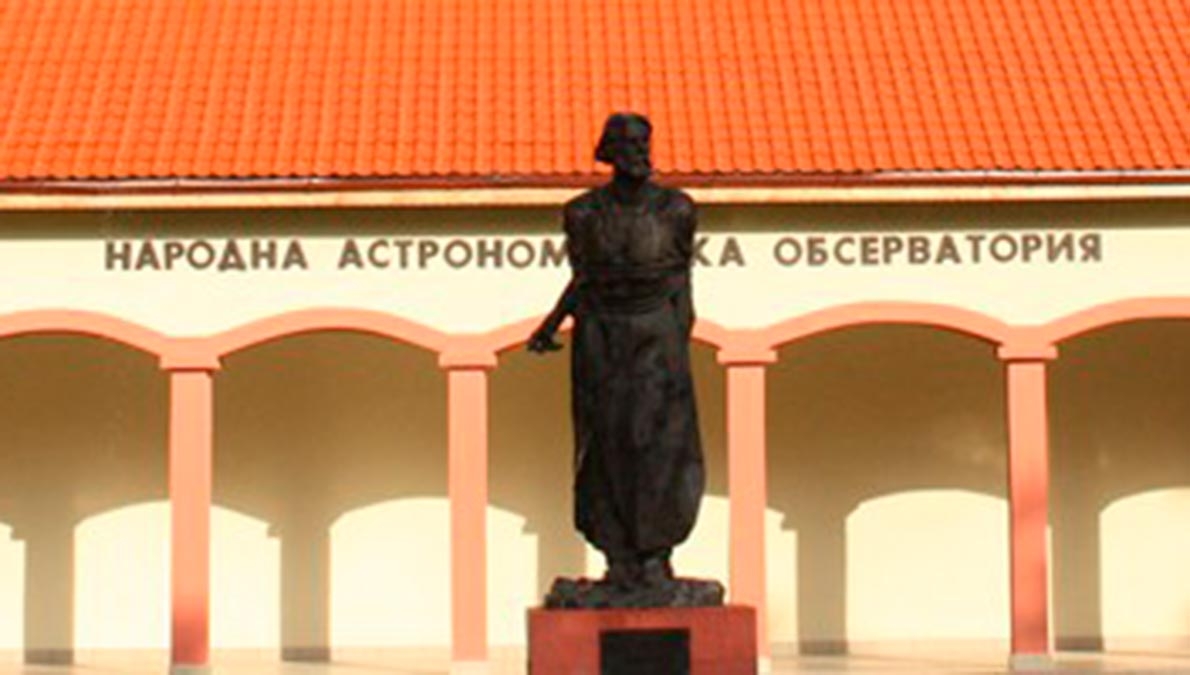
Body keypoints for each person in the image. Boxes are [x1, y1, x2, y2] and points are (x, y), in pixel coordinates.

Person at [529, 112, 704, 595]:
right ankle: (618, 557)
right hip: (601, 331)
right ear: (607, 150)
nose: (637, 151)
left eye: (642, 141)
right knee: (605, 442)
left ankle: (655, 557)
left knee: (661, 441)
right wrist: (550, 324)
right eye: (626, 142)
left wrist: (677, 342)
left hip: (656, 330)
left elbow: (682, 283)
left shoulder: (676, 209)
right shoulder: (583, 212)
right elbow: (583, 280)